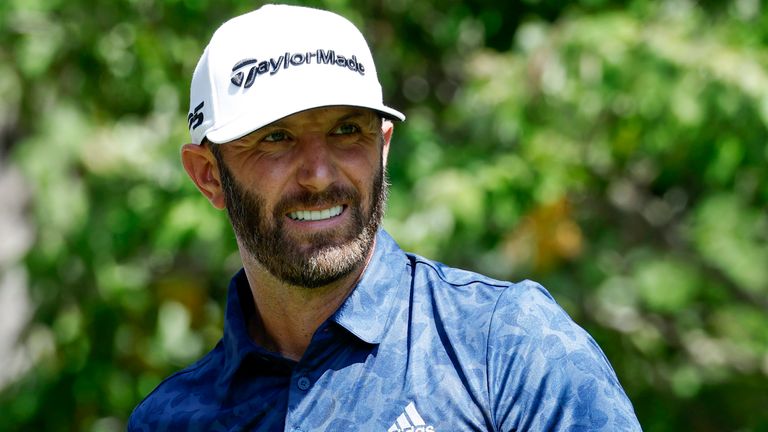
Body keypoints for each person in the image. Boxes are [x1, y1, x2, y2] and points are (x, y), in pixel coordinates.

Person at [129, 4, 641, 431]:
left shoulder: (506, 348)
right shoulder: (170, 420)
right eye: (276, 138)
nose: (318, 174)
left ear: (384, 147)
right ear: (208, 176)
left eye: (348, 130)